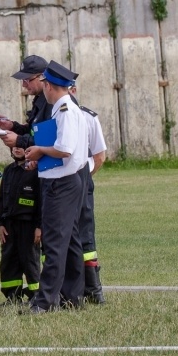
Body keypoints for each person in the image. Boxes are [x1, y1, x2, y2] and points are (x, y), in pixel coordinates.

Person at [24, 61, 89, 313]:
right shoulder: (69, 108)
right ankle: (72, 296)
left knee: (54, 243)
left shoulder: (63, 111)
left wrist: (39, 150)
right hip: (65, 179)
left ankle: (46, 300)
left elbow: (64, 150)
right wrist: (39, 160)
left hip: (61, 184)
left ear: (48, 85)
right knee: (69, 240)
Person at [69, 82, 108, 304]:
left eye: (72, 89)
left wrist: (83, 179)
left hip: (82, 180)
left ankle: (93, 288)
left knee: (85, 231)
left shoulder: (88, 118)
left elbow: (100, 156)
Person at [0, 146, 42, 306]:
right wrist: (0, 223)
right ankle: (12, 296)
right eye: (14, 147)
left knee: (30, 260)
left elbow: (42, 201)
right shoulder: (9, 171)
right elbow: (1, 200)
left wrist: (39, 226)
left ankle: (36, 296)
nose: (17, 149)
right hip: (9, 225)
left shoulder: (36, 171)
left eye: (22, 146)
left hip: (29, 225)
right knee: (9, 261)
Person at [0, 55, 50, 149]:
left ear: (42, 77)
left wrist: (19, 140)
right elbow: (33, 131)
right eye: (23, 80)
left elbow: (49, 140)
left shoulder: (52, 102)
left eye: (27, 80)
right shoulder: (40, 98)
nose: (24, 85)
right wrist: (12, 126)